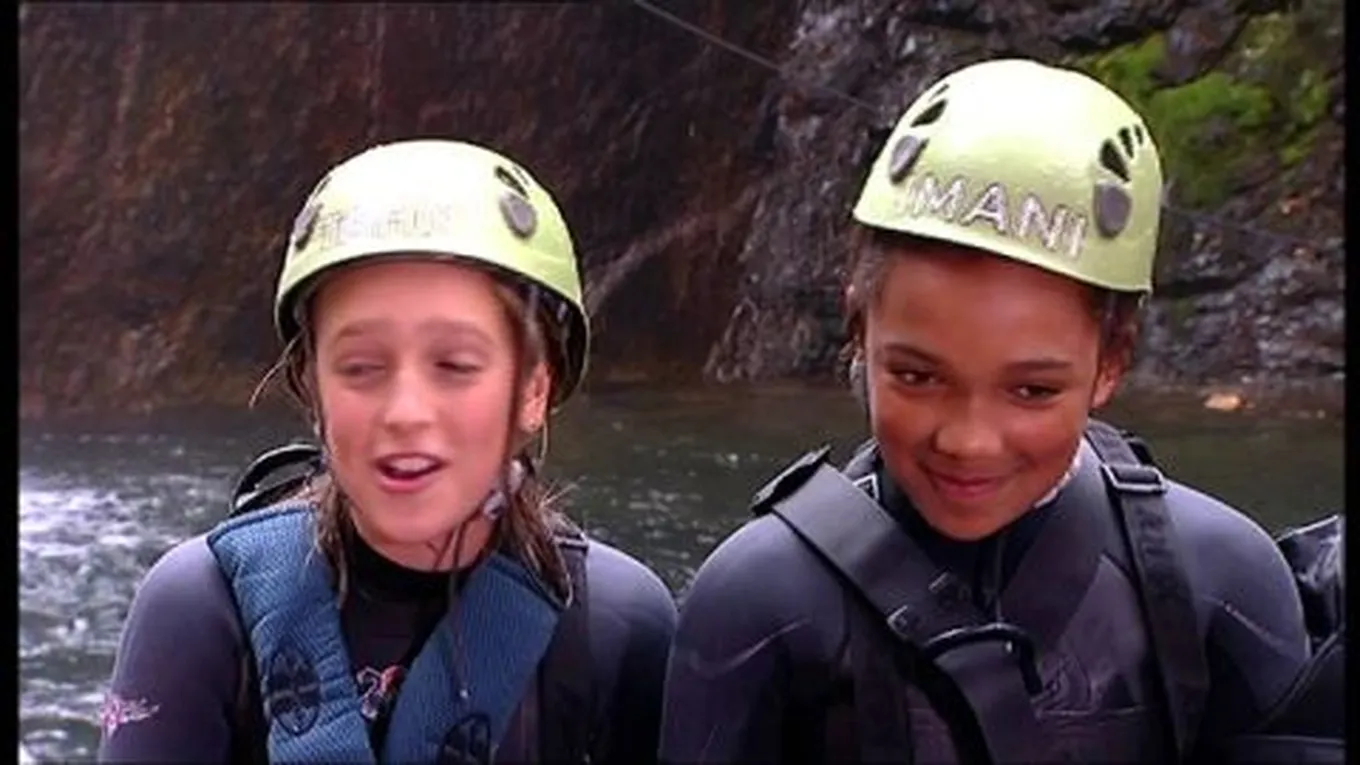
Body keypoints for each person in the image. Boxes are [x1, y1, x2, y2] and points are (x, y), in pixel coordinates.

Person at [658, 59, 1343, 764]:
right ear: (857, 328)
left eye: (1031, 391)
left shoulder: (1221, 582)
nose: (969, 441)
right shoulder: (756, 602)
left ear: (1112, 360)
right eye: (917, 376)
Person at [98, 139, 678, 764]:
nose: (405, 412)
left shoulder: (617, 629)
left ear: (533, 389)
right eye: (361, 366)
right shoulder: (201, 611)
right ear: (311, 385)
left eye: (455, 365)